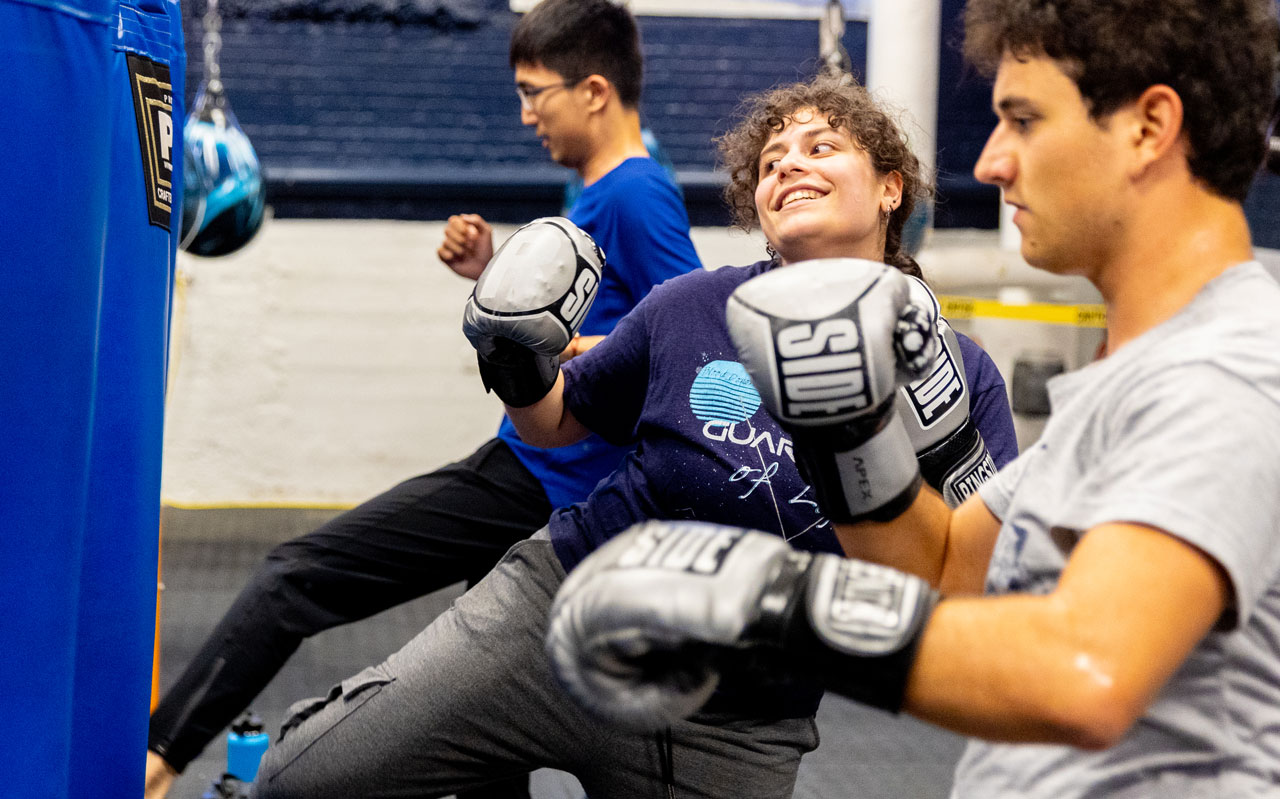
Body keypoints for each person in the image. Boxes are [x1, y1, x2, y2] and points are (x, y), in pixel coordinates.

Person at [547, 2, 1280, 797]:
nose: (993, 162)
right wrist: (847, 433)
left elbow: (1087, 672)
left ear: (1149, 127)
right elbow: (945, 569)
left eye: (1023, 121)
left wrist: (767, 598)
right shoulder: (1139, 372)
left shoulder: (1221, 376)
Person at [248, 73, 1018, 799]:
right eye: (772, 161)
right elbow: (558, 421)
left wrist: (938, 449)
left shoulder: (962, 374)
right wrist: (515, 357)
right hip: (553, 622)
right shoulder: (690, 306)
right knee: (303, 782)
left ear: (891, 188)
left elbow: (972, 594)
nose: (789, 167)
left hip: (741, 721)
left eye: (820, 148)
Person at [143, 1, 702, 797]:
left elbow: (684, 333)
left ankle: (157, 757)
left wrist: (567, 349)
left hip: (546, 483)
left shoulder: (635, 191)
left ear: (595, 91)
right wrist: (496, 273)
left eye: (534, 91)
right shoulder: (602, 190)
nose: (525, 113)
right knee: (482, 725)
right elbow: (605, 308)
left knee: (295, 575)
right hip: (542, 470)